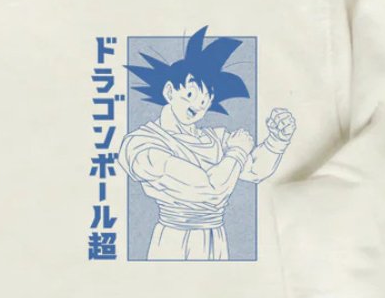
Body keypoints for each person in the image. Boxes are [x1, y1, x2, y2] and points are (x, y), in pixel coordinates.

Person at [118, 27, 296, 260]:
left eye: (204, 102)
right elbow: (209, 190)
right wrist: (237, 151)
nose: (197, 106)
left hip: (215, 239)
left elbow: (254, 170)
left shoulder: (213, 139)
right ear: (170, 91)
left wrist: (276, 140)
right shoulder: (142, 144)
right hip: (174, 241)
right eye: (190, 95)